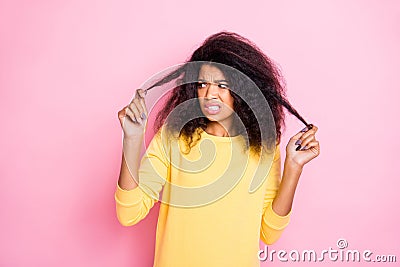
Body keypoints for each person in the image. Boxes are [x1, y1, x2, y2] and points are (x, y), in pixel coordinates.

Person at [115, 31, 320, 267]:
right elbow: (128, 214)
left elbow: (269, 233)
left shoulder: (263, 146)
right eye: (202, 84)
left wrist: (293, 167)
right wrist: (132, 139)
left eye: (222, 85)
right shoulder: (174, 136)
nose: (210, 94)